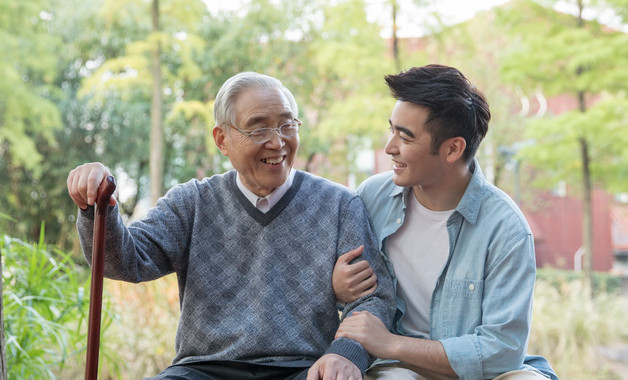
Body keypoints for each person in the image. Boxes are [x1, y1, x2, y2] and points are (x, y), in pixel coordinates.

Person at [67, 71, 396, 380]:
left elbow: (373, 299)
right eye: (258, 129)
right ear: (222, 140)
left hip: (303, 368)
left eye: (287, 125)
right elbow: (124, 261)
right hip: (204, 369)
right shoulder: (193, 203)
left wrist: (346, 353)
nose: (277, 142)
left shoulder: (339, 205)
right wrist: (99, 207)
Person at [332, 64, 558, 380]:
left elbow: (502, 350)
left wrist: (391, 344)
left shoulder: (506, 229)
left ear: (452, 149)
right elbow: (346, 299)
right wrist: (338, 290)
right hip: (399, 370)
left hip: (481, 372)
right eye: (392, 129)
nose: (390, 147)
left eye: (405, 137)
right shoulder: (371, 198)